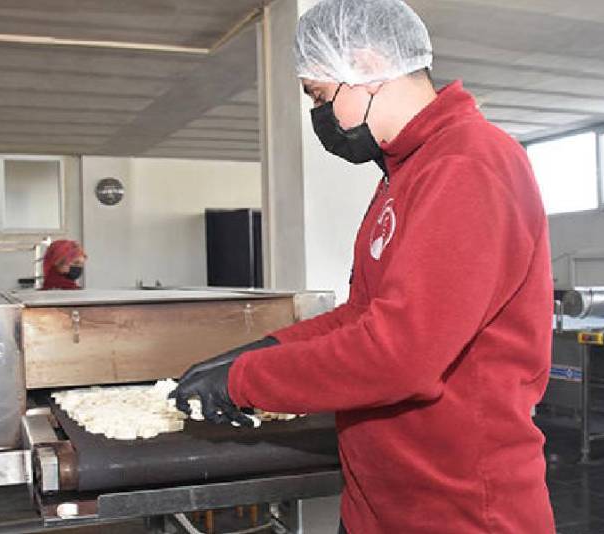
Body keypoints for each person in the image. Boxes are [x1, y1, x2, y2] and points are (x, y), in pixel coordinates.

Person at [171, 0, 555, 532]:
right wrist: (266, 350)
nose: (319, 117)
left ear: (369, 66)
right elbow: (363, 315)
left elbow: (399, 355)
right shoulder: (404, 172)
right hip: (383, 499)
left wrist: (244, 382)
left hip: (457, 507)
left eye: (321, 96)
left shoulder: (468, 164)